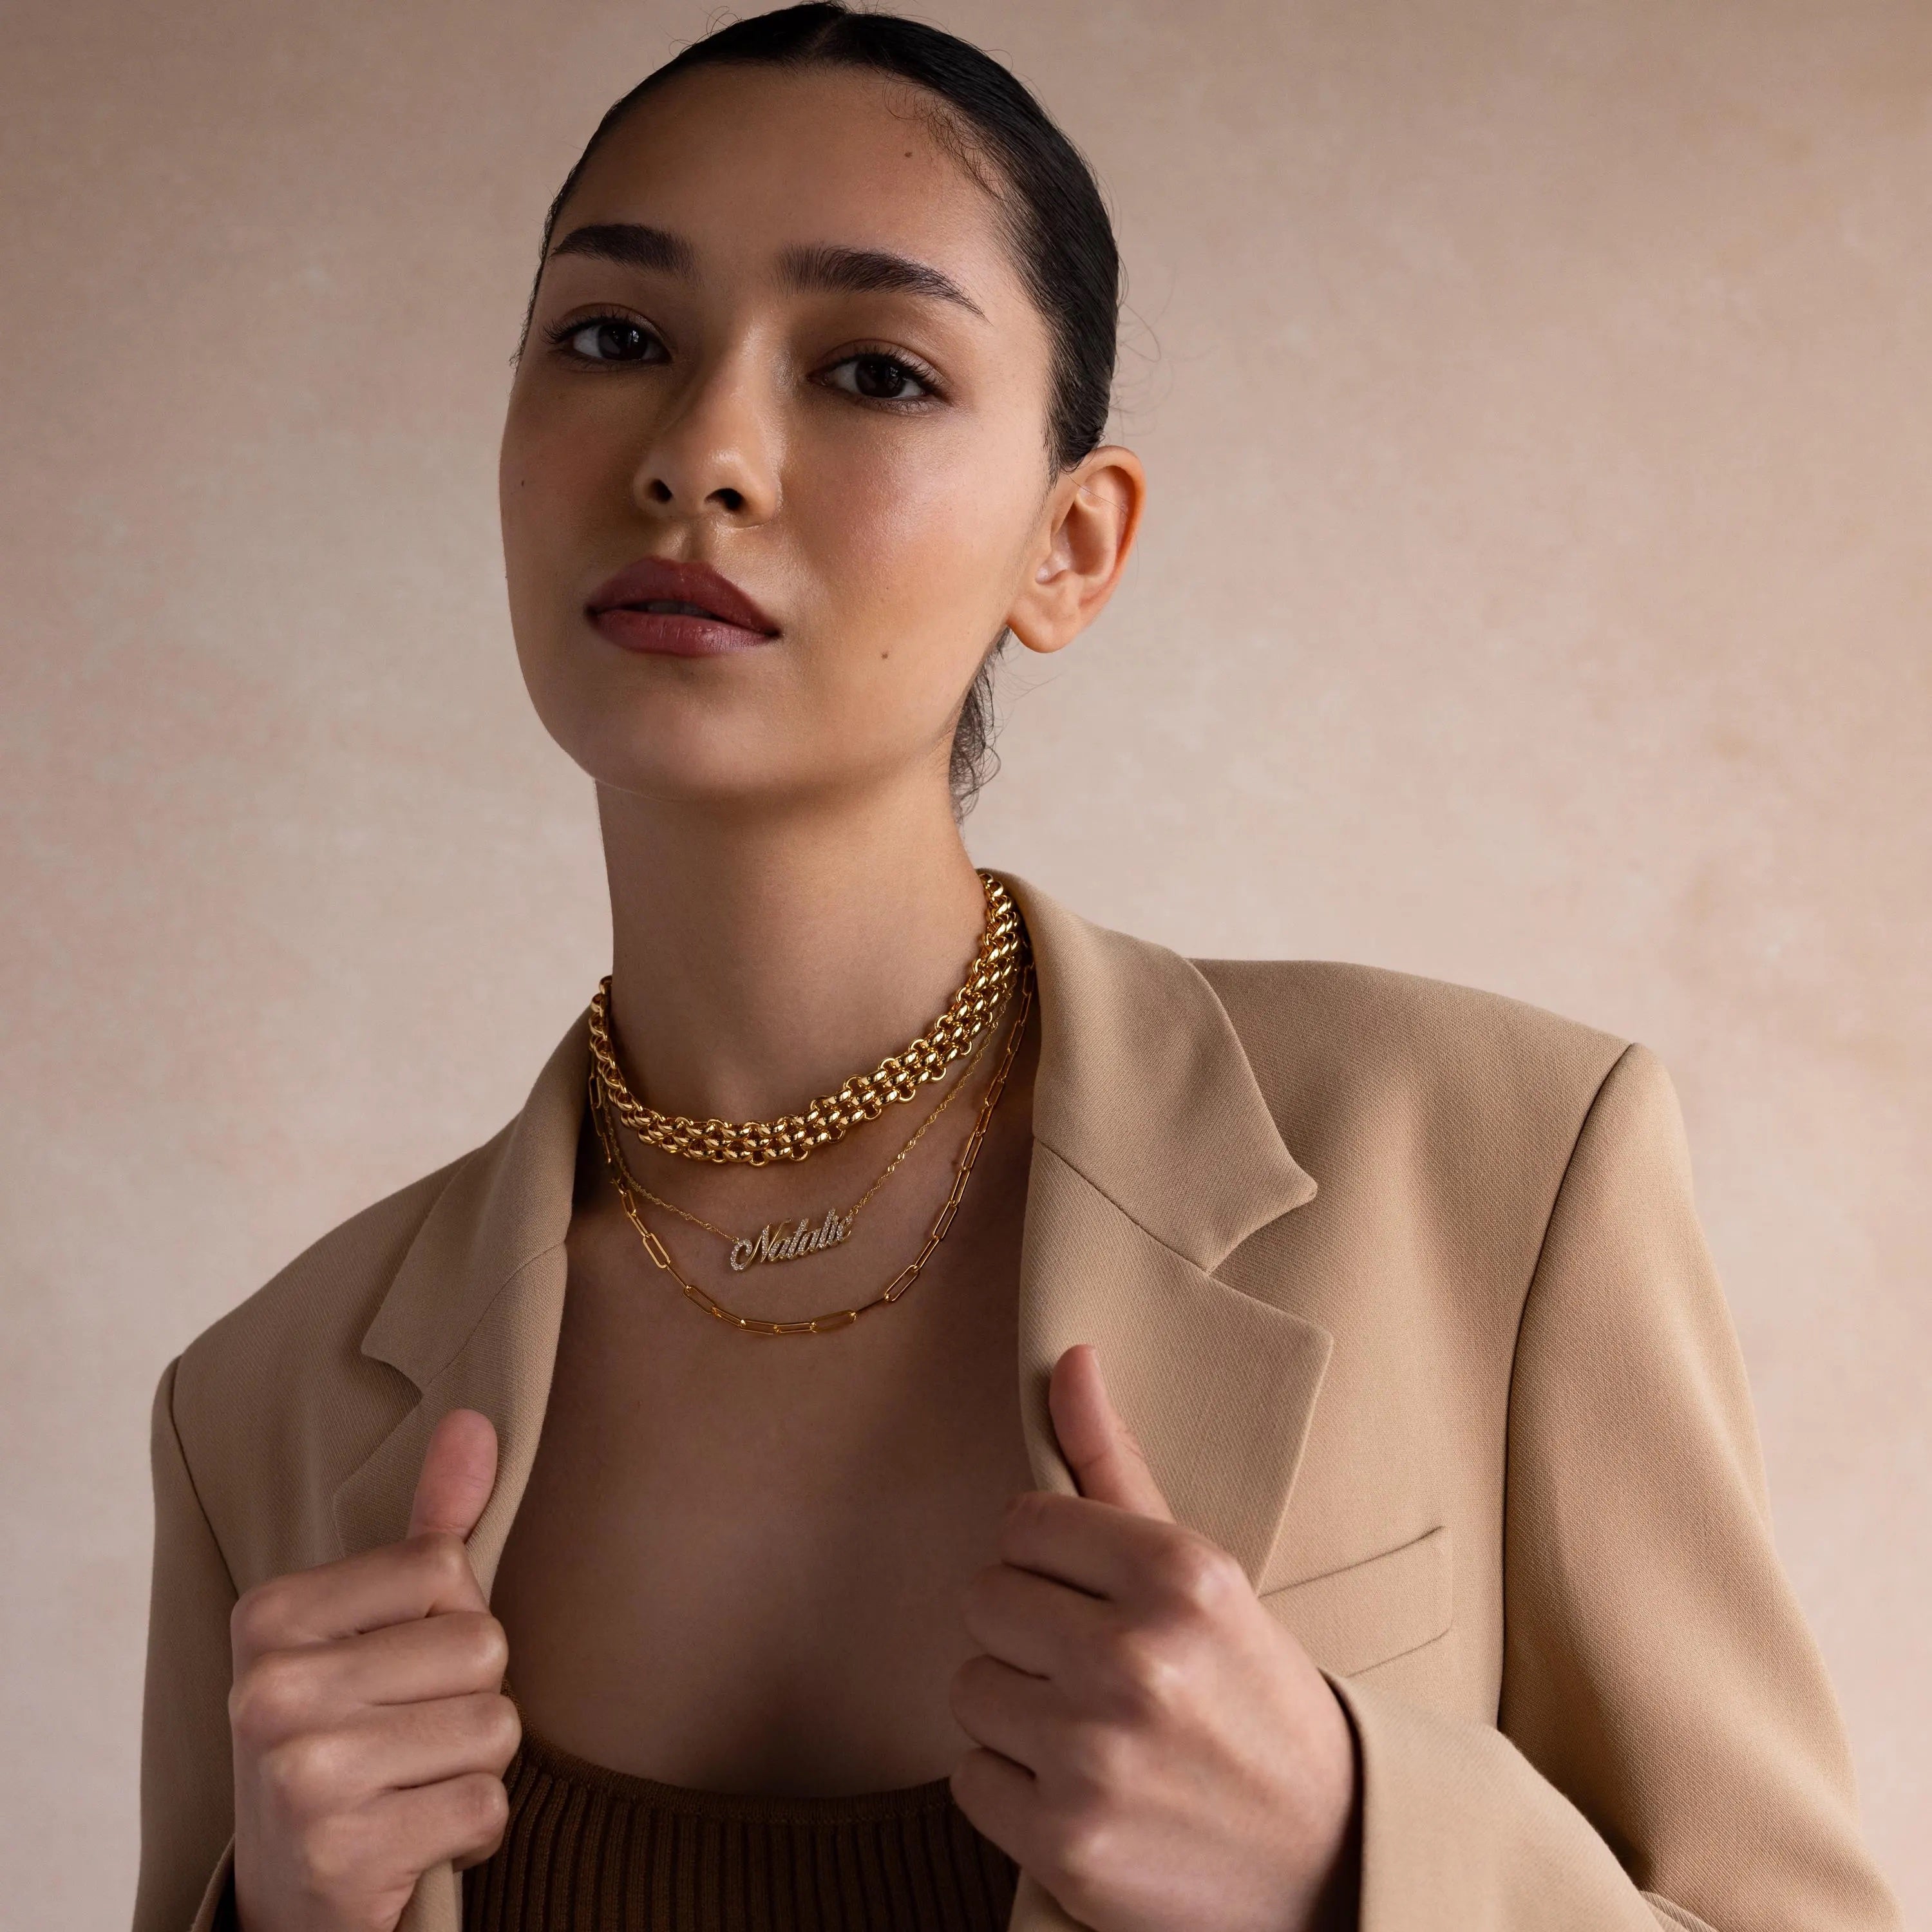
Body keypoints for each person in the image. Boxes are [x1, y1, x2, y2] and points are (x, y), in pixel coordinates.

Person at [132, 8, 1900, 1932]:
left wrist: (1354, 1856)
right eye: (613, 338)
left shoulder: (1493, 1168)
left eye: (874, 371)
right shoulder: (265, 1410)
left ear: (1071, 546)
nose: (701, 452)